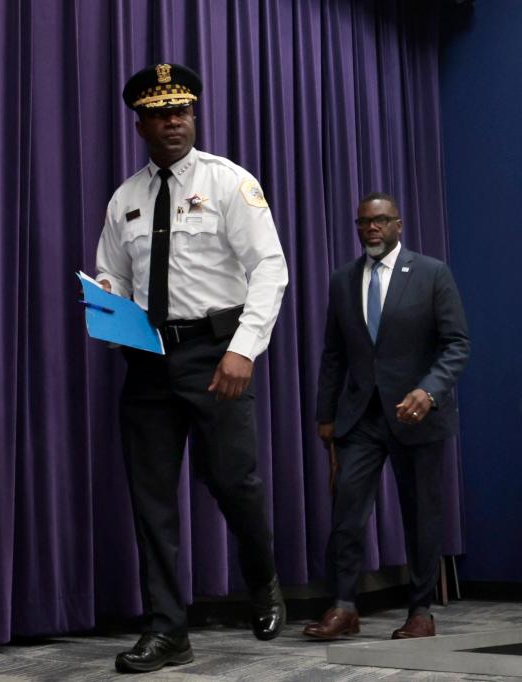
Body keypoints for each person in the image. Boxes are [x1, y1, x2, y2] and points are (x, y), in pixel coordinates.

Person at [95, 63, 288, 674]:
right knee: (151, 501)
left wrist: (244, 348)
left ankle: (263, 579)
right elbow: (114, 274)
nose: (173, 120)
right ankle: (168, 630)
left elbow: (270, 269)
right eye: (160, 112)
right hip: (149, 358)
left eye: (182, 109)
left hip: (216, 351)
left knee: (235, 483)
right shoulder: (124, 199)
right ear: (140, 123)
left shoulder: (229, 183)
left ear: (194, 115)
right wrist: (106, 298)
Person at [305, 192, 470, 641]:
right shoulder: (343, 279)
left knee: (420, 516)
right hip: (360, 418)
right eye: (363, 223)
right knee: (347, 514)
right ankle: (343, 606)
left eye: (380, 221)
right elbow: (334, 354)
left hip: (417, 416)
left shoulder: (432, 273)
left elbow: (457, 344)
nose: (371, 229)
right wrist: (325, 416)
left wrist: (429, 391)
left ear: (398, 225)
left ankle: (421, 613)